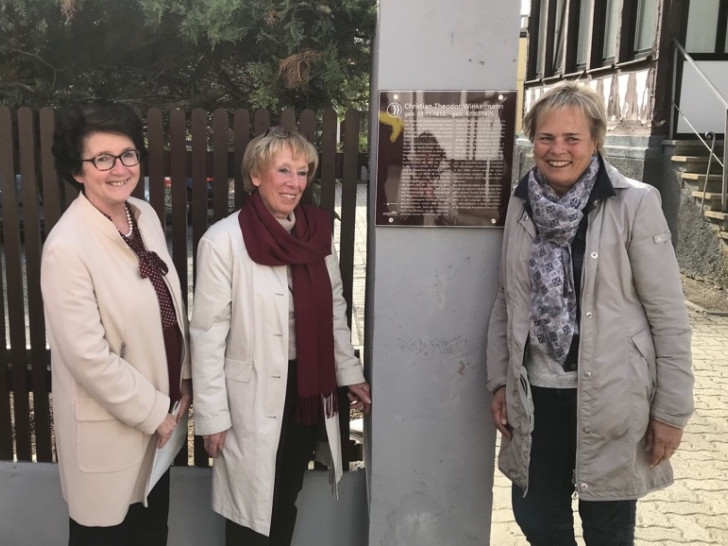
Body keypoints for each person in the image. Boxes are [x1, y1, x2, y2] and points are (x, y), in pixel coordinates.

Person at [486, 83, 694, 545]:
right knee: (537, 516)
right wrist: (498, 380)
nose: (557, 150)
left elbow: (669, 316)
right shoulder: (521, 204)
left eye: (572, 138)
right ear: (531, 141)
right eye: (545, 137)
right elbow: (507, 298)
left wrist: (672, 412)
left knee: (607, 527)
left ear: (595, 140)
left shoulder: (635, 203)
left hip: (612, 397)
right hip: (537, 393)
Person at [190, 126, 372, 546]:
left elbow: (334, 308)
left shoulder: (315, 233)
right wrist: (213, 416)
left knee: (286, 495)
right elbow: (207, 334)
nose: (293, 182)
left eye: (302, 172)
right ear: (256, 175)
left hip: (307, 389)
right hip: (249, 397)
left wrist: (350, 372)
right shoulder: (223, 241)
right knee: (250, 508)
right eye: (283, 170)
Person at [41, 102, 191, 546]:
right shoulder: (66, 248)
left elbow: (168, 305)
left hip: (159, 424)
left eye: (128, 155)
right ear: (77, 171)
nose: (119, 168)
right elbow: (89, 358)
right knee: (107, 536)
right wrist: (155, 415)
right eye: (101, 159)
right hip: (119, 427)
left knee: (151, 535)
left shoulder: (142, 215)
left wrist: (182, 376)